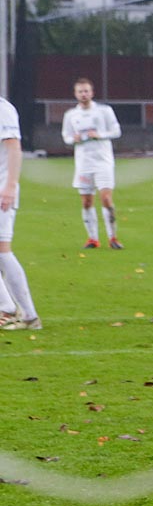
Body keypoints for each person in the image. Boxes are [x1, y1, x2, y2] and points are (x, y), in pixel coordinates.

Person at [61, 77, 123, 250]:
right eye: (80, 91)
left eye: (86, 91)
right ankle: (92, 238)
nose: (83, 94)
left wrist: (100, 135)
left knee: (106, 198)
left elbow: (117, 131)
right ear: (75, 94)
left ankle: (113, 237)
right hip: (83, 163)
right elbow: (66, 137)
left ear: (92, 92)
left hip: (103, 162)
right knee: (87, 202)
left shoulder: (104, 111)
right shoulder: (71, 115)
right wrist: (74, 139)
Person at [0, 95, 41, 330]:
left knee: (3, 251)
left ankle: (17, 312)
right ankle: (23, 314)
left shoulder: (3, 109)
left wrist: (10, 186)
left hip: (2, 191)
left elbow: (14, 148)